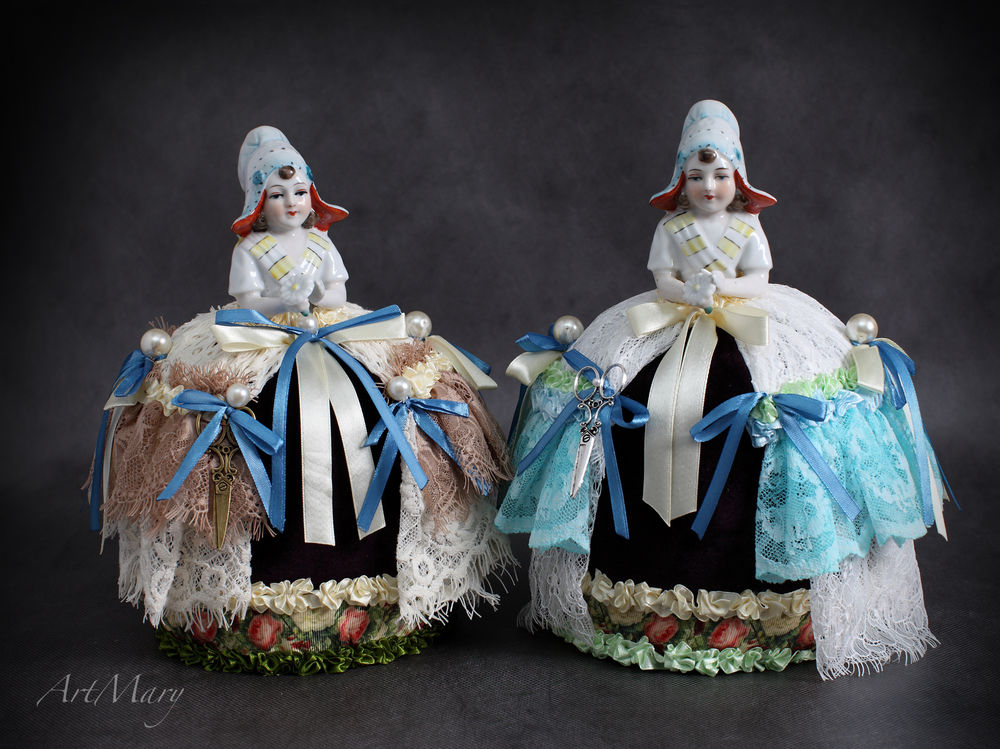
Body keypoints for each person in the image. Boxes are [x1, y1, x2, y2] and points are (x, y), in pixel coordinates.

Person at [497, 100, 949, 677]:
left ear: (738, 179)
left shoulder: (746, 227)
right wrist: (687, 293)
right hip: (672, 315)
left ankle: (793, 600)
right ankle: (624, 594)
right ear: (680, 182)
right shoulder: (672, 229)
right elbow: (662, 278)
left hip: (752, 318)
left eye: (720, 175)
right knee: (629, 391)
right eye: (696, 176)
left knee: (774, 397)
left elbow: (759, 277)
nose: (709, 187)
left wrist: (726, 289)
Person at [93, 126, 514, 674]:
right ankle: (228, 593)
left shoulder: (320, 243)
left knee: (372, 394)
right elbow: (247, 302)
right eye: (277, 194)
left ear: (312, 197)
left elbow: (336, 293)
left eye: (299, 193)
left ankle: (391, 578)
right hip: (259, 339)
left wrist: (315, 298)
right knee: (262, 407)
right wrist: (281, 302)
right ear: (257, 203)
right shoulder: (252, 249)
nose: (291, 203)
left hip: (327, 328)